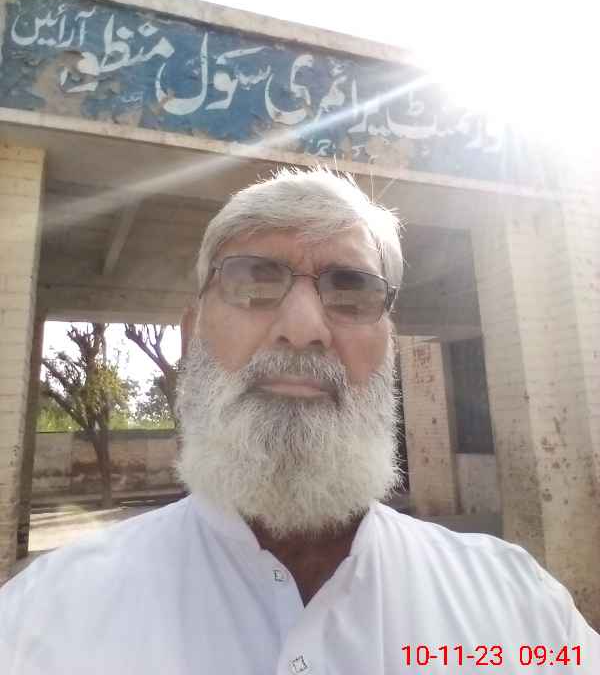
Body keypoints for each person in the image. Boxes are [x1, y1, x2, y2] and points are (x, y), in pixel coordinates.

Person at [0, 167, 598, 674]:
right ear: (191, 337)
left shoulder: (521, 614)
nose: (304, 328)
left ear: (387, 349)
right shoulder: (40, 623)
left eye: (351, 290)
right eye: (252, 282)